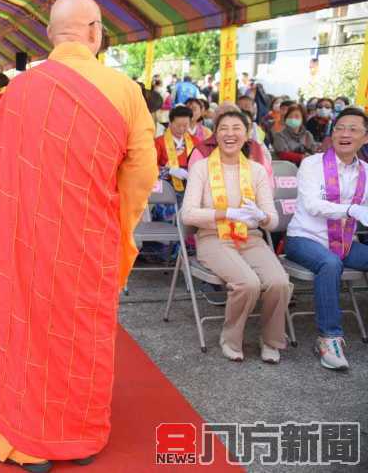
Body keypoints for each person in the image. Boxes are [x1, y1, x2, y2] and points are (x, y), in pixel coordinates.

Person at [0, 0, 157, 471]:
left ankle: (18, 437)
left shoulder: (19, 92)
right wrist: (121, 229)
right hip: (86, 238)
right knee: (79, 335)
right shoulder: (124, 90)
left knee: (20, 326)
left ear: (52, 36)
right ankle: (79, 436)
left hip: (20, 236)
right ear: (95, 32)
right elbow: (141, 175)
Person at [181, 110, 291, 362]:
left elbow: (272, 220)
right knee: (248, 283)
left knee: (279, 281)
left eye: (236, 128)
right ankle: (231, 338)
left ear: (247, 134)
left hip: (250, 237)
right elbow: (187, 214)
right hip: (213, 237)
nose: (230, 134)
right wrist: (226, 212)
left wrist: (260, 217)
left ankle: (272, 339)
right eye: (224, 128)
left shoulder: (256, 171)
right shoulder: (201, 168)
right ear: (215, 134)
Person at [285, 108, 368, 371]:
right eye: (340, 128)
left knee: (338, 258)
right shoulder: (312, 164)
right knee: (330, 263)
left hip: (343, 243)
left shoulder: (366, 171)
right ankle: (329, 339)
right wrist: (350, 209)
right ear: (332, 134)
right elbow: (311, 205)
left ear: (365, 138)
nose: (345, 133)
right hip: (304, 239)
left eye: (353, 129)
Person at [155, 105, 200, 195]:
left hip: (190, 188)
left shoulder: (195, 141)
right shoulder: (158, 142)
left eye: (185, 125)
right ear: (170, 123)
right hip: (166, 189)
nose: (181, 129)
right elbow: (150, 167)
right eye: (178, 125)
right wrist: (170, 171)